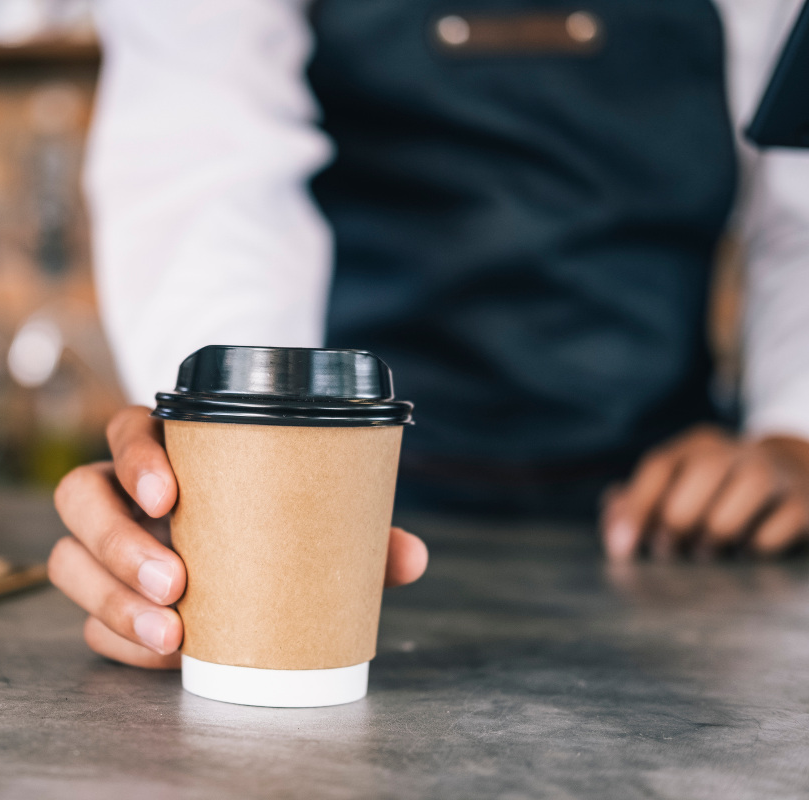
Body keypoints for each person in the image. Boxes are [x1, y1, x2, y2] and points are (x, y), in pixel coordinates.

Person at [48, 0, 809, 669]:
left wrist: (794, 434)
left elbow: (799, 207)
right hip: (356, 521)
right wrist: (229, 476)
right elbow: (204, 161)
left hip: (677, 528)